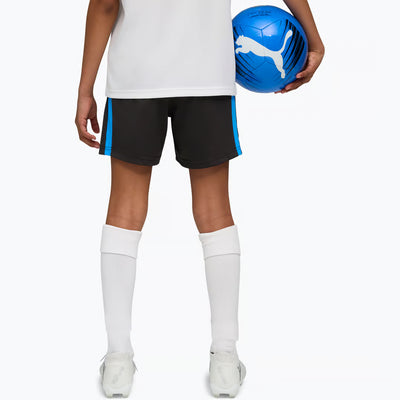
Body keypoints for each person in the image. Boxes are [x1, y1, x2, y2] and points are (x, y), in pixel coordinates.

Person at [74, 0, 324, 397]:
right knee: (214, 211)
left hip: (137, 77)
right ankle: (225, 358)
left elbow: (105, 4)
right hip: (206, 73)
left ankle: (118, 359)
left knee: (124, 209)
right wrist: (313, 38)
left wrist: (85, 87)